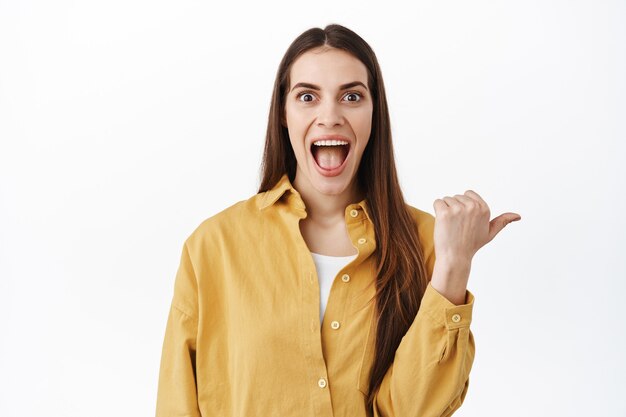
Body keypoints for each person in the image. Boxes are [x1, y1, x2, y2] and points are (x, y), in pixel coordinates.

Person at [155, 23, 521, 417]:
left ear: (373, 113)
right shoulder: (214, 246)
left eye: (351, 96)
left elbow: (417, 409)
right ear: (283, 113)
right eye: (308, 96)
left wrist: (455, 265)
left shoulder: (429, 243)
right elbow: (176, 403)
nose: (329, 116)